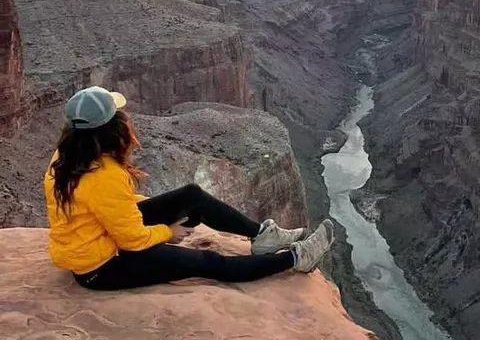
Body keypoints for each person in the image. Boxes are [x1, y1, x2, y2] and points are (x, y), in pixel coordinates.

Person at [43, 85, 334, 291]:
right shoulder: (103, 175)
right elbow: (132, 239)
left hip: (104, 235)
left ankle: (262, 236)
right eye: (120, 116)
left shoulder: (67, 156)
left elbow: (112, 206)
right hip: (101, 267)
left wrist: (163, 209)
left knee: (189, 196)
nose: (126, 119)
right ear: (111, 129)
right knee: (207, 262)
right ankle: (295, 259)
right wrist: (169, 232)